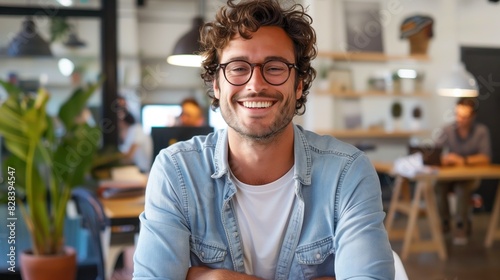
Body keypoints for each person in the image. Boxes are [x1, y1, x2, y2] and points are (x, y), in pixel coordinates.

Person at [133, 1, 394, 279]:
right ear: (217, 85)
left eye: (275, 67)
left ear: (298, 84)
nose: (256, 84)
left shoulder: (347, 172)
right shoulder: (177, 171)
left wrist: (210, 277)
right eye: (237, 67)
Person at [436, 97, 491, 245]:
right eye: (458, 115)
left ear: (473, 116)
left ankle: (461, 226)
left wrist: (463, 160)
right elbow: (435, 153)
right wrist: (444, 159)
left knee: (462, 189)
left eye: (465, 116)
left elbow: (485, 158)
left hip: (470, 177)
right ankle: (444, 222)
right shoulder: (447, 130)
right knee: (439, 186)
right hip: (451, 176)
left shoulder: (481, 132)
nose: (460, 119)